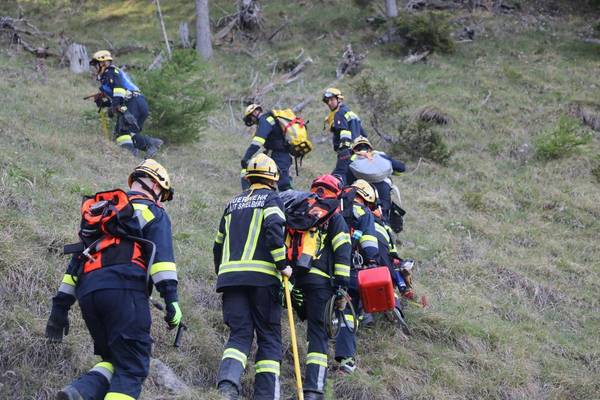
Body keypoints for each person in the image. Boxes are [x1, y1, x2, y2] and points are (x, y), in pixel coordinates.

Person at [45, 159, 181, 400]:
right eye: (162, 194)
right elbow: (163, 262)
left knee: (115, 360)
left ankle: (79, 393)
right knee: (132, 368)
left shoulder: (104, 213)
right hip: (124, 291)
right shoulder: (154, 212)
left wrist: (60, 308)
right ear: (154, 185)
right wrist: (172, 301)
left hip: (89, 294)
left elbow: (77, 262)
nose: (161, 201)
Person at [213, 153, 293, 400]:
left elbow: (218, 245)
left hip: (230, 280)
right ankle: (266, 395)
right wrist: (283, 265)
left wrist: (223, 273)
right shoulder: (272, 199)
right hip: (262, 279)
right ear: (274, 179)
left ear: (249, 178)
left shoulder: (232, 204)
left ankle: (227, 387)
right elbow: (274, 231)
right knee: (269, 337)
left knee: (239, 334)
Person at [291, 175, 352, 400]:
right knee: (318, 335)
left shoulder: (301, 211)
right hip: (321, 284)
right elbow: (343, 251)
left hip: (295, 281)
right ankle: (313, 390)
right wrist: (342, 287)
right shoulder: (334, 217)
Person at [335, 179, 380, 373]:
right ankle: (346, 360)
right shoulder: (363, 212)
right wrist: (372, 261)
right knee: (348, 310)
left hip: (326, 268)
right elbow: (369, 244)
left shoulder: (333, 206)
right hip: (351, 269)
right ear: (366, 198)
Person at [89, 50, 163, 157]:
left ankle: (129, 156)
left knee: (123, 132)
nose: (94, 68)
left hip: (133, 102)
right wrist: (103, 103)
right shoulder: (107, 78)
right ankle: (150, 144)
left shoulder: (110, 72)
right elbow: (117, 99)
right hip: (137, 103)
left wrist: (114, 106)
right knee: (129, 133)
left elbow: (119, 91)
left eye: (95, 65)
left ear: (103, 63)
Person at [346, 136, 406, 223]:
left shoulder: (352, 161)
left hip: (363, 194)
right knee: (384, 218)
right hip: (384, 191)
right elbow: (401, 168)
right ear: (370, 148)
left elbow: (347, 182)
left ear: (353, 150)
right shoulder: (379, 155)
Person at [241, 104, 293, 191]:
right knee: (279, 182)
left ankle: (249, 194)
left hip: (279, 155)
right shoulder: (269, 119)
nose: (252, 120)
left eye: (251, 117)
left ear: (255, 112)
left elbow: (258, 141)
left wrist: (246, 157)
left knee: (284, 185)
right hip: (281, 155)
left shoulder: (264, 120)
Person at [322, 88, 367, 183]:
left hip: (347, 153)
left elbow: (344, 131)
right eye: (327, 101)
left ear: (339, 99)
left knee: (336, 178)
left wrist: (344, 151)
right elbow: (364, 135)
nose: (329, 103)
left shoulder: (339, 113)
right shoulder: (351, 114)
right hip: (359, 155)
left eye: (331, 100)